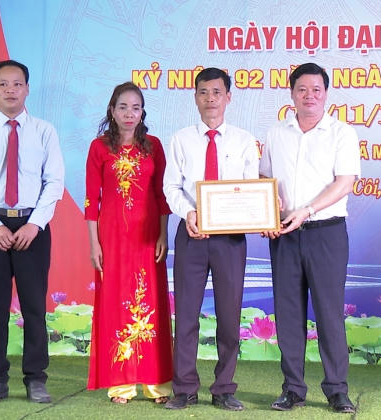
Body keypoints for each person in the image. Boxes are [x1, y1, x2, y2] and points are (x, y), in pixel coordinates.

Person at [0, 59, 64, 404]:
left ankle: (36, 379)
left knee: (34, 307)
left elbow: (54, 182)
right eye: (3, 84)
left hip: (32, 227)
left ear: (27, 89)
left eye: (17, 84)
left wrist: (35, 223)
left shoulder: (44, 131)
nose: (10, 90)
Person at [259, 62, 360, 413]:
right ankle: (292, 389)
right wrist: (269, 207)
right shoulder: (276, 133)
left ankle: (337, 390)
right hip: (284, 234)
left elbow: (344, 183)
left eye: (316, 89)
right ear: (292, 94)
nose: (309, 96)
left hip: (326, 233)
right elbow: (265, 179)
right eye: (302, 89)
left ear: (326, 94)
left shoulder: (342, 133)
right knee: (288, 314)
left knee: (329, 314)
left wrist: (308, 209)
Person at [163, 67, 259, 411]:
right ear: (195, 98)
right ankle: (184, 388)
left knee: (229, 316)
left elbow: (251, 188)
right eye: (203, 92)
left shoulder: (244, 141)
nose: (210, 99)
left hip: (230, 239)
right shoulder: (181, 139)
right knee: (187, 314)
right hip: (191, 234)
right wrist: (189, 213)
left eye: (217, 92)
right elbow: (171, 187)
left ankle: (224, 389)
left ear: (228, 97)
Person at [85, 82, 173, 404]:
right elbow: (91, 200)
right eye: (123, 107)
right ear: (112, 110)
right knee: (116, 302)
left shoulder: (154, 146)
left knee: (150, 303)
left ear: (142, 112)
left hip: (147, 237)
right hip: (112, 238)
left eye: (136, 108)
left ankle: (157, 385)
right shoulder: (99, 148)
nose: (129, 114)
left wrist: (163, 234)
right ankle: (121, 385)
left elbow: (162, 196)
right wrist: (94, 244)